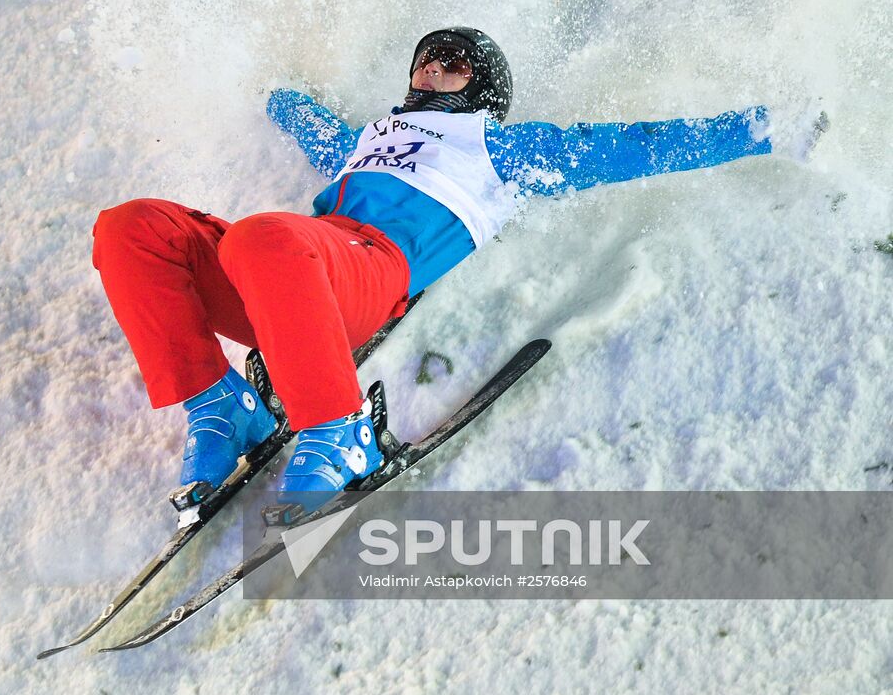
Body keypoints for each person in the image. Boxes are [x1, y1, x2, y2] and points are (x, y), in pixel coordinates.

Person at [91, 27, 825, 517]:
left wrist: (767, 128)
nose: (429, 69)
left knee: (263, 238)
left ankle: (341, 429)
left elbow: (633, 146)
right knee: (131, 228)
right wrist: (263, 79)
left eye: (452, 62)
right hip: (286, 279)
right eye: (424, 59)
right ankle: (220, 408)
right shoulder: (370, 136)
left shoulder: (498, 148)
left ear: (484, 87)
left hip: (365, 277)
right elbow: (302, 118)